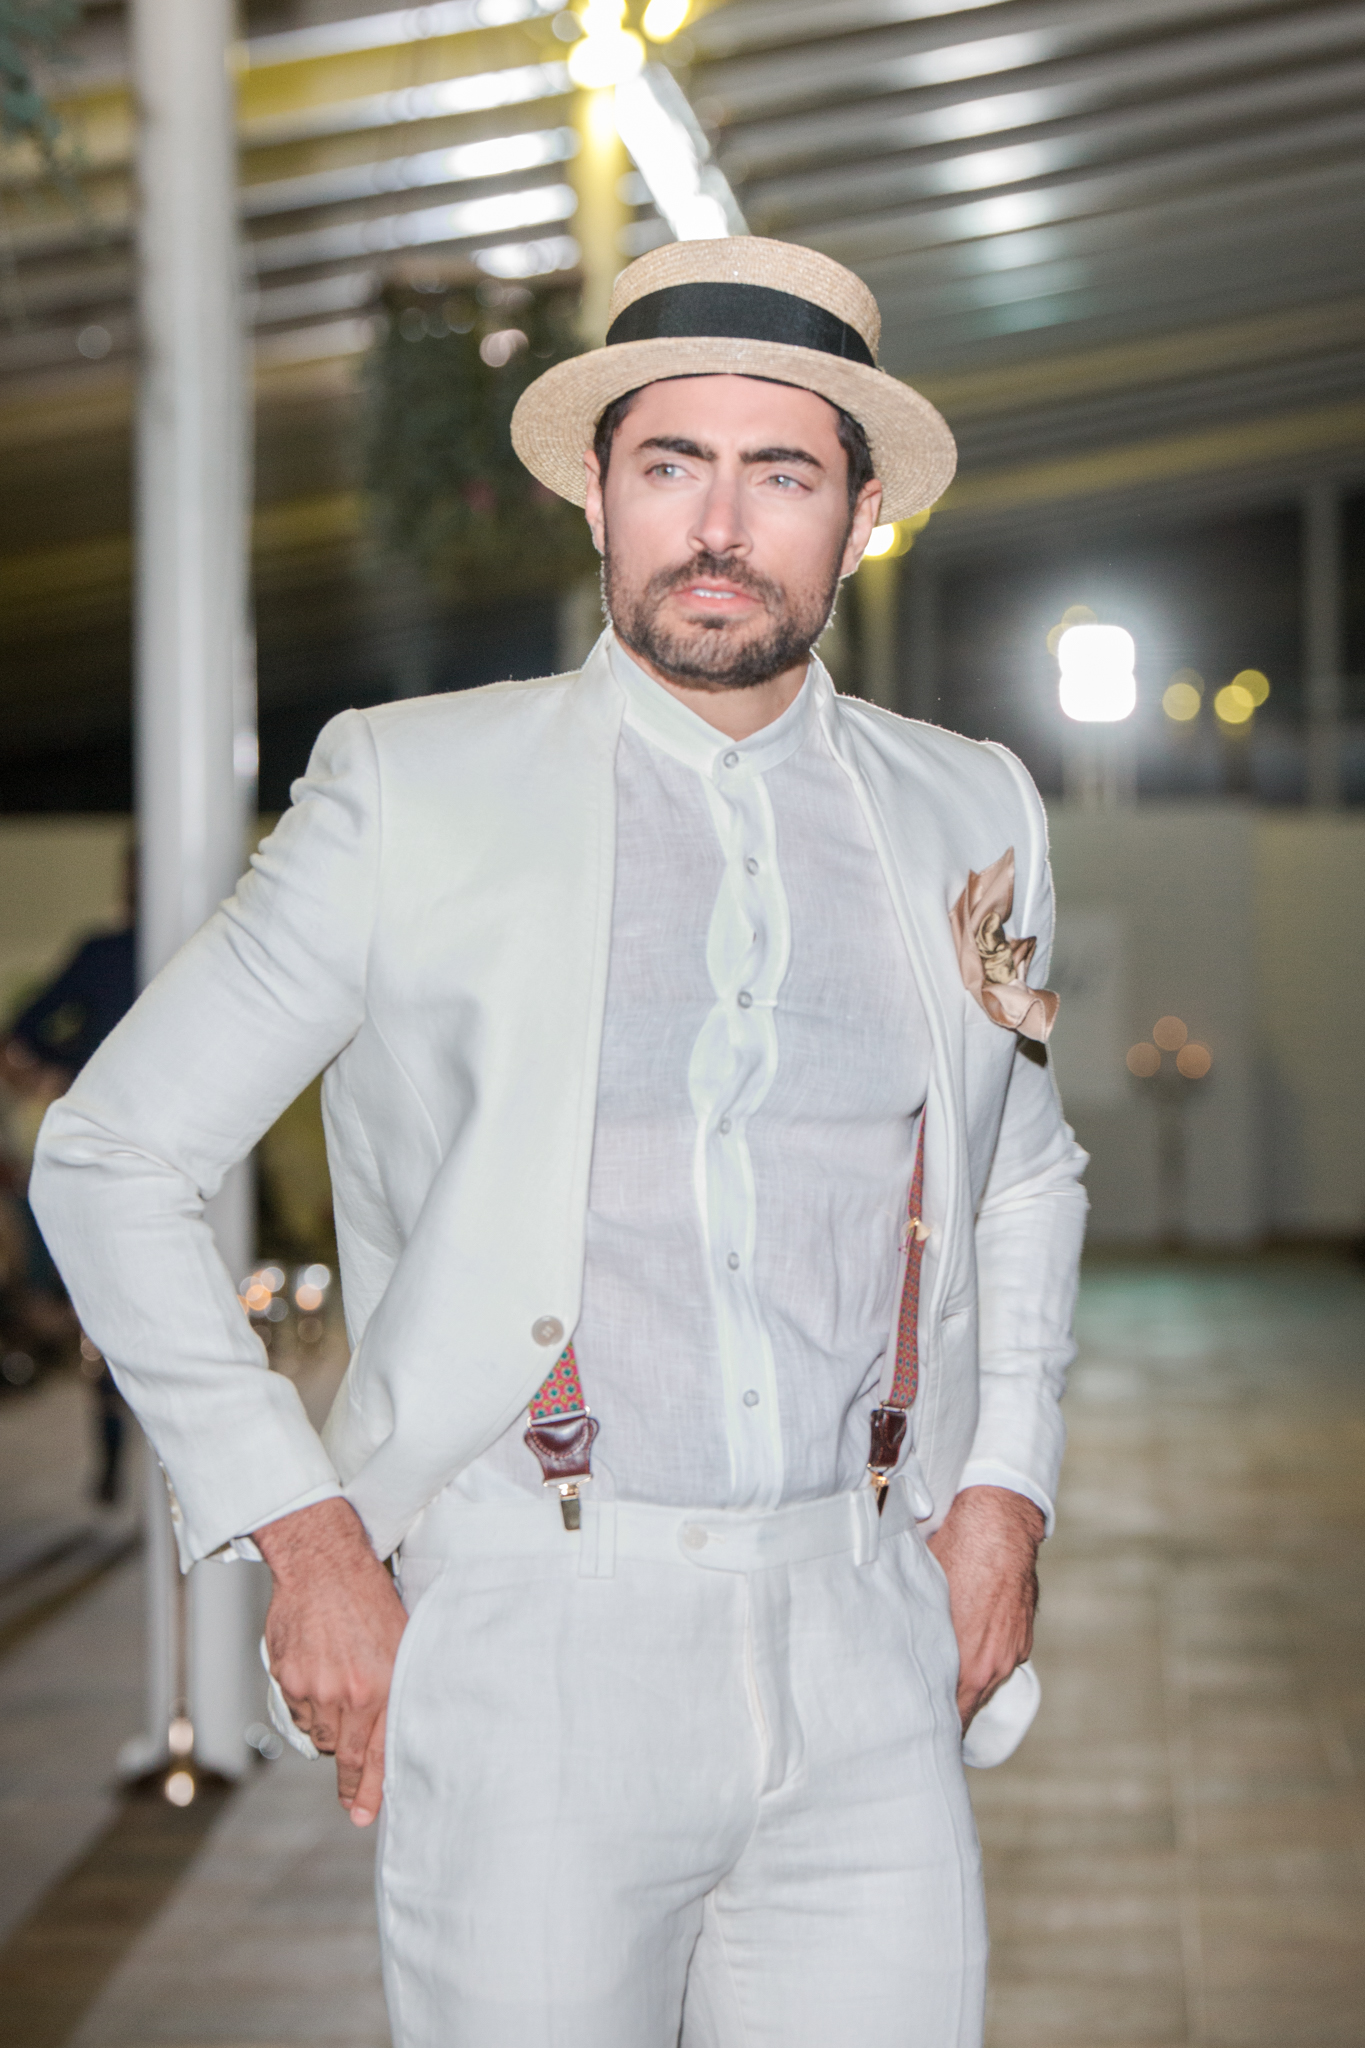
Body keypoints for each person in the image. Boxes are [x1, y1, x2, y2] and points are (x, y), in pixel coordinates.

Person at [31, 237, 1088, 2048]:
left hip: (863, 1621)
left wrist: (1003, 1494)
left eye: (780, 474)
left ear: (859, 519)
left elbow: (1022, 1170)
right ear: (595, 492)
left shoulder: (963, 802)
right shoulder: (413, 788)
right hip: (535, 1621)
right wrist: (306, 1536)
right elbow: (112, 1152)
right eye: (671, 463)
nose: (717, 527)